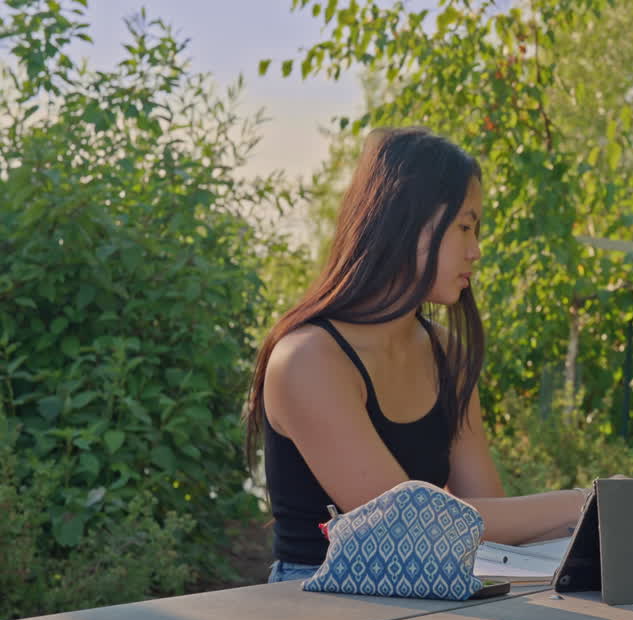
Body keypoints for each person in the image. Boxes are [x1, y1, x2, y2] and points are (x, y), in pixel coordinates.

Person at [243, 128, 588, 583]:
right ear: (404, 223)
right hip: (311, 606)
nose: (476, 251)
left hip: (422, 601)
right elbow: (411, 526)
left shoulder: (447, 352)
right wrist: (584, 502)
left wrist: (606, 517)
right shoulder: (308, 359)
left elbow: (492, 526)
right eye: (465, 226)